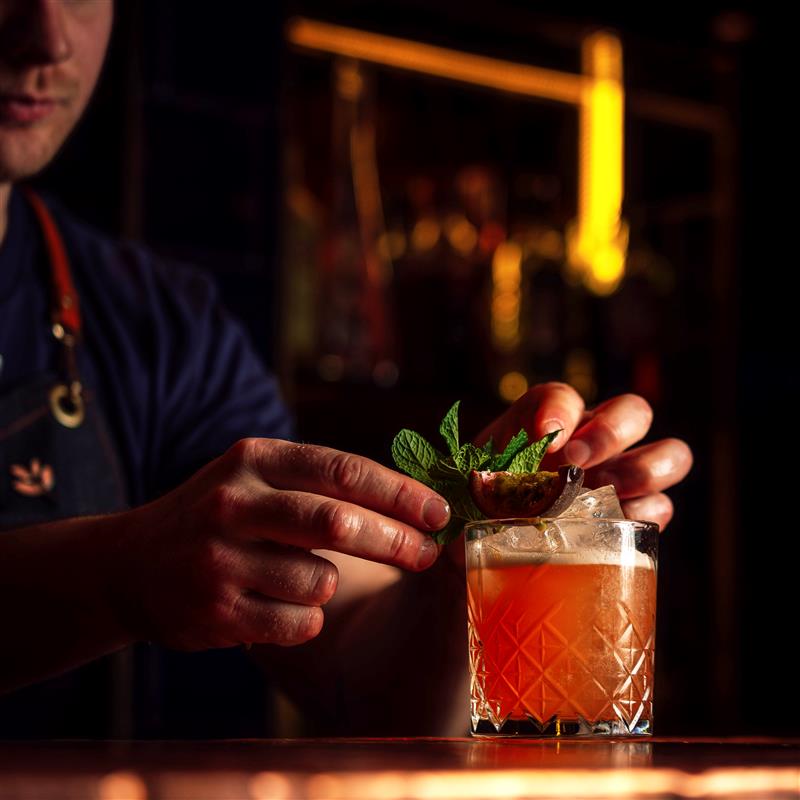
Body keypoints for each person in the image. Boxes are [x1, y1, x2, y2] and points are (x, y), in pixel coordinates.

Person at [0, 1, 692, 737]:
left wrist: (462, 575)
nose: (47, 37)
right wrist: (119, 573)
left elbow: (363, 681)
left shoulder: (158, 321)